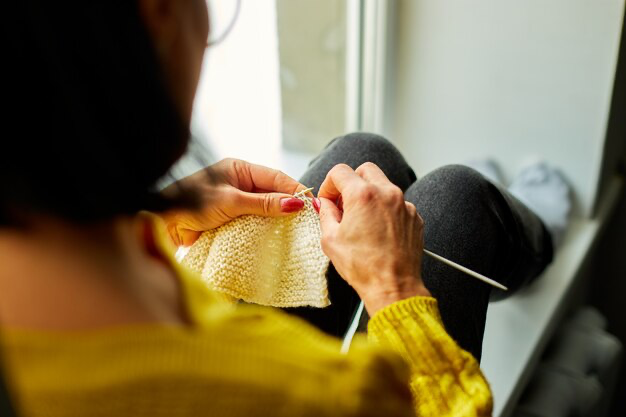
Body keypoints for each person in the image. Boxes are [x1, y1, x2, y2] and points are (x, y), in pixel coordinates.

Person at [0, 1, 560, 416]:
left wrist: (158, 214)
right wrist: (394, 288)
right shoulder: (308, 395)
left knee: (361, 153)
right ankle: (530, 234)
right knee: (456, 200)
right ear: (158, 15)